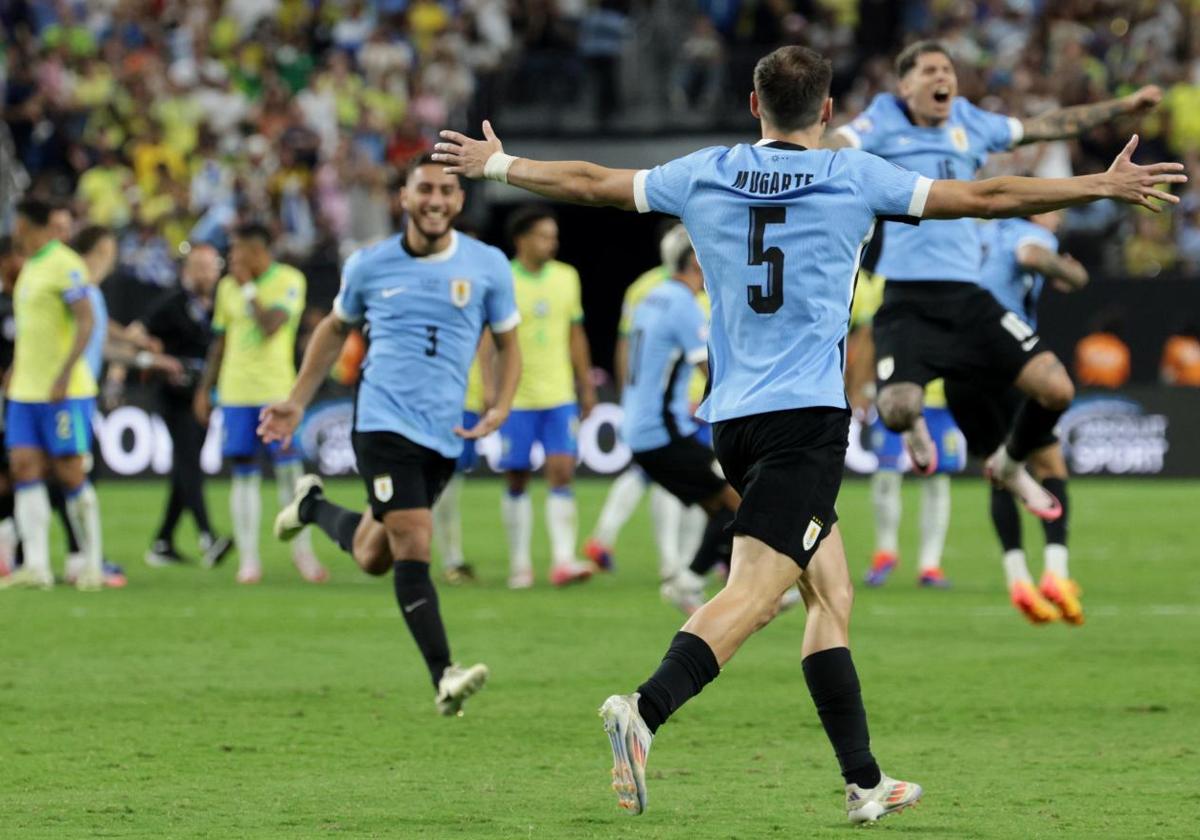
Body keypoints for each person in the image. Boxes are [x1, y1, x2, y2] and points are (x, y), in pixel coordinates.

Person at [433, 44, 1184, 822]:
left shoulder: (706, 170)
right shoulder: (854, 176)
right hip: (804, 419)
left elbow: (588, 183)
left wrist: (498, 164)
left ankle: (865, 783)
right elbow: (989, 195)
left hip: (733, 418)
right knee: (756, 595)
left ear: (753, 103)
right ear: (828, 112)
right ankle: (644, 712)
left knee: (832, 592)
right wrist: (1100, 183)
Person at [824, 40, 1162, 520]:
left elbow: (1049, 125)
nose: (943, 78)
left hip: (968, 296)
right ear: (904, 85)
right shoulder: (882, 119)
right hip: (908, 299)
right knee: (897, 410)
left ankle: (1009, 462)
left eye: (948, 69)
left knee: (1057, 389)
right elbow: (836, 143)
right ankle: (918, 428)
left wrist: (1122, 106)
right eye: (930, 71)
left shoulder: (970, 121)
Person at [259, 152, 522, 716]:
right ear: (402, 197)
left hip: (445, 432)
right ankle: (443, 675)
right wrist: (296, 401)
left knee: (375, 554)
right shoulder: (369, 265)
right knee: (414, 539)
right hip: (381, 421)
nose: (435, 200)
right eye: (424, 189)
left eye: (447, 192)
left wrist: (500, 403)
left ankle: (312, 508)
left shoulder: (488, 266)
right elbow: (334, 330)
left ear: (458, 201)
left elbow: (507, 341)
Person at [945, 212, 1089, 624]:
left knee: (1000, 469)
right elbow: (1030, 256)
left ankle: (1017, 579)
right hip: (1005, 357)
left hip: (957, 360)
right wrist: (1071, 273)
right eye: (1056, 208)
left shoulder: (979, 232)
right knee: (1048, 464)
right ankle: (1056, 574)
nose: (1061, 217)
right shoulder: (1028, 233)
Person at [618, 228, 742, 615]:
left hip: (641, 427)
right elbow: (710, 369)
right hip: (662, 431)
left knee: (718, 507)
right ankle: (687, 583)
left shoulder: (651, 296)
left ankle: (747, 585)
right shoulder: (683, 304)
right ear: (694, 260)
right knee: (737, 502)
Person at [195, 222, 326, 585]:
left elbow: (271, 326)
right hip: (236, 393)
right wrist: (205, 389)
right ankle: (249, 562)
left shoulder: (288, 280)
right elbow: (220, 342)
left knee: (289, 474)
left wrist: (248, 288)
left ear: (257, 251)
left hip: (277, 393)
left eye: (237, 250)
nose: (231, 258)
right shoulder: (226, 288)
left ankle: (304, 554)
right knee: (243, 473)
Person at [584, 222, 708, 579]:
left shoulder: (644, 288)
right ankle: (681, 562)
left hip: (656, 400)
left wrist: (629, 393)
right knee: (686, 479)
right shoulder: (689, 292)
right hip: (686, 403)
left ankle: (610, 538)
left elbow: (625, 343)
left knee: (650, 474)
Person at [0, 198, 103, 591]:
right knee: (23, 467)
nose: (14, 230)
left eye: (17, 223)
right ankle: (37, 567)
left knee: (70, 472)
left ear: (27, 224)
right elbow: (34, 331)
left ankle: (92, 563)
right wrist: (15, 371)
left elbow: (86, 320)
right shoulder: (29, 268)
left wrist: (63, 375)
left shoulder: (65, 264)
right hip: (26, 392)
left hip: (63, 392)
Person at [497, 206, 597, 589]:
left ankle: (563, 560)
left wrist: (585, 385)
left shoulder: (566, 277)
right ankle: (520, 564)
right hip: (517, 395)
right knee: (517, 475)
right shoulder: (503, 278)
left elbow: (576, 334)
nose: (551, 243)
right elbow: (490, 337)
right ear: (522, 239)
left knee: (561, 470)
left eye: (553, 236)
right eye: (543, 235)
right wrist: (492, 387)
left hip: (558, 394)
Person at [846, 269, 964, 589]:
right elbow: (867, 337)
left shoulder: (950, 283)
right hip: (894, 394)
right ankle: (886, 551)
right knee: (886, 474)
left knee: (937, 479)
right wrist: (860, 388)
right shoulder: (885, 283)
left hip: (938, 398)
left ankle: (930, 565)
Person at [140, 242, 233, 568]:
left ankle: (162, 541)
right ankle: (208, 536)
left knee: (185, 465)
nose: (207, 273)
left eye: (211, 267)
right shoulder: (169, 305)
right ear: (186, 271)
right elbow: (140, 335)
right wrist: (158, 359)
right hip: (174, 396)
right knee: (189, 461)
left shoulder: (221, 304)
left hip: (205, 395)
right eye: (200, 267)